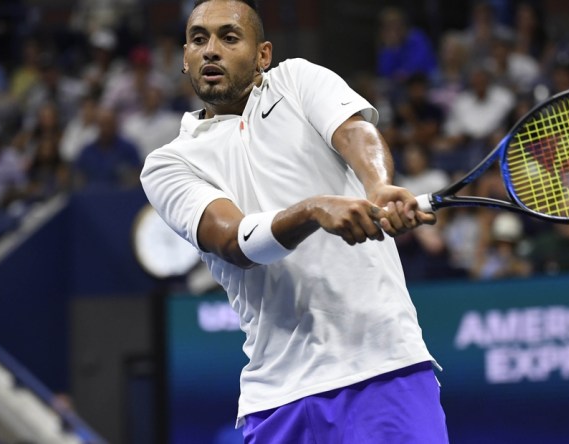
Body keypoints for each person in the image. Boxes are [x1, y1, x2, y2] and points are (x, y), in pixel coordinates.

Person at [140, 1, 448, 443]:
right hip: (279, 397)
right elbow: (233, 241)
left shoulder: (299, 80)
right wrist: (313, 210)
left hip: (385, 368)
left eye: (229, 37)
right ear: (184, 58)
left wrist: (377, 186)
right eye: (198, 39)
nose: (211, 50)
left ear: (263, 54)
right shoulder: (168, 164)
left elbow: (354, 131)